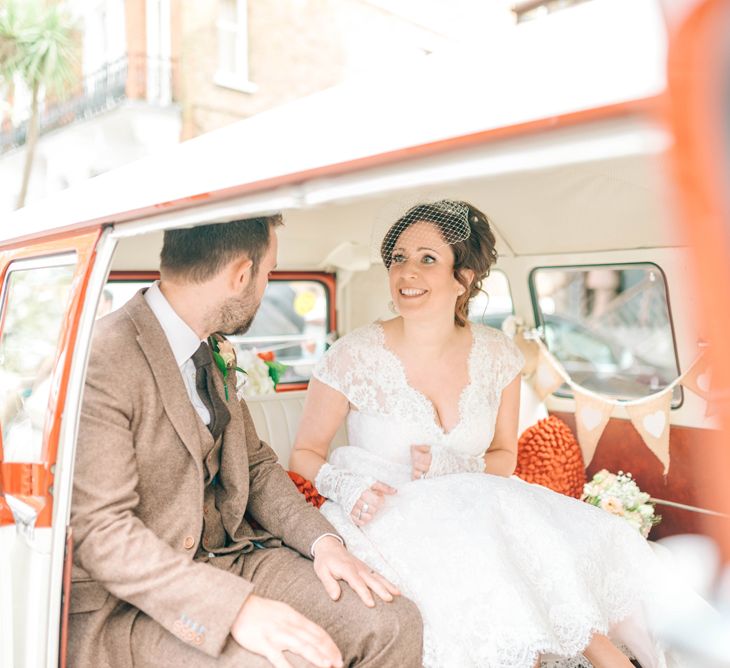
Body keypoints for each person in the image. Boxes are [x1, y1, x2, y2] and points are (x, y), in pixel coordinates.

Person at [290, 200, 676, 668]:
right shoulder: (350, 355)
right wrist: (344, 486)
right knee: (497, 549)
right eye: (398, 258)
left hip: (484, 506)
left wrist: (458, 467)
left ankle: (605, 655)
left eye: (427, 259)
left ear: (464, 277)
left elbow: (503, 456)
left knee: (545, 537)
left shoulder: (499, 355)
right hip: (383, 517)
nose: (406, 272)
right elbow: (305, 453)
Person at [69, 216, 423, 668]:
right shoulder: (104, 358)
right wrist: (233, 608)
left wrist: (325, 544)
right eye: (269, 273)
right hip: (134, 602)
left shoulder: (209, 348)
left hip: (233, 555)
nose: (267, 285)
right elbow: (103, 534)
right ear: (241, 275)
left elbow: (254, 466)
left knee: (393, 623)